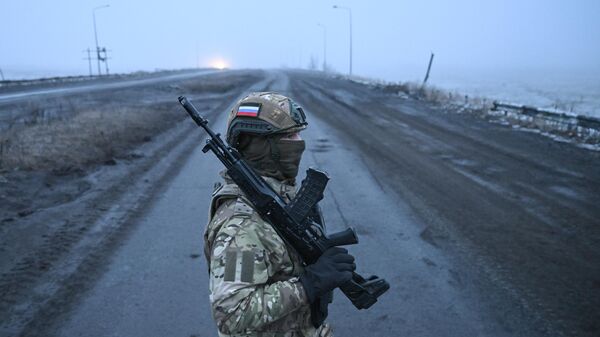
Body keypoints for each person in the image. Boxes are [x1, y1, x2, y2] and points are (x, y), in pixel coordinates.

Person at [204, 92, 356, 337]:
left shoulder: (277, 195)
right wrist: (310, 283)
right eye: (289, 136)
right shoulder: (241, 225)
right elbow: (233, 314)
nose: (299, 142)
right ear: (263, 146)